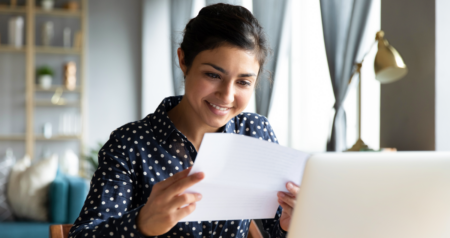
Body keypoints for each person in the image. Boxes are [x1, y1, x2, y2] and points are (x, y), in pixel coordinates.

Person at [69, 3, 299, 238]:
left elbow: (275, 229)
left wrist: (289, 224)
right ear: (183, 60)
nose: (227, 96)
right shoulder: (129, 144)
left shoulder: (255, 132)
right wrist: (140, 224)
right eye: (213, 75)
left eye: (243, 82)